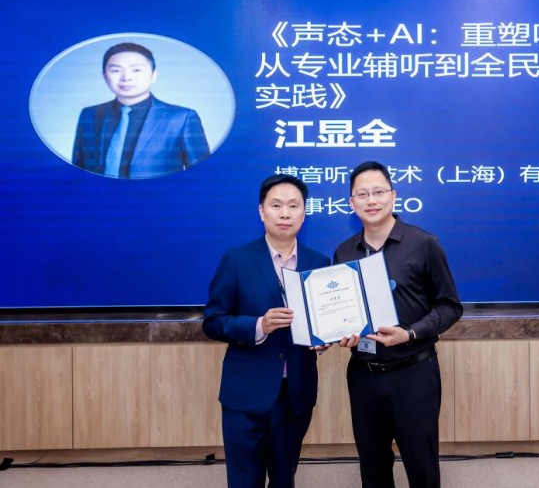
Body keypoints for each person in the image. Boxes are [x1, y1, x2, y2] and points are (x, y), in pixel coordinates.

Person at [335, 161, 463, 488]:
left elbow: (449, 306)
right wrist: (338, 334)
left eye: (378, 192)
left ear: (393, 195)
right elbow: (340, 313)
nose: (371, 200)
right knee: (373, 467)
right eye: (362, 194)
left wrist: (410, 333)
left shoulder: (424, 244)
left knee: (421, 467)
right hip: (363, 374)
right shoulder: (344, 253)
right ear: (351, 202)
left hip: (414, 373)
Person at [203, 174, 330, 488]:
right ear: (262, 211)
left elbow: (323, 321)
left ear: (304, 212)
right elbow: (213, 321)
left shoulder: (319, 262)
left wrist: (324, 339)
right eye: (276, 205)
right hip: (245, 393)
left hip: (295, 393)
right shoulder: (237, 260)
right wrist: (259, 325)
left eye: (293, 206)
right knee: (244, 480)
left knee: (284, 479)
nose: (285, 213)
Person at [72, 42, 210, 179]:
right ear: (105, 76)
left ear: (153, 75)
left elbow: (201, 175)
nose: (126, 78)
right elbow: (78, 171)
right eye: (116, 71)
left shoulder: (181, 119)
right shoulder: (89, 115)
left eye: (136, 70)